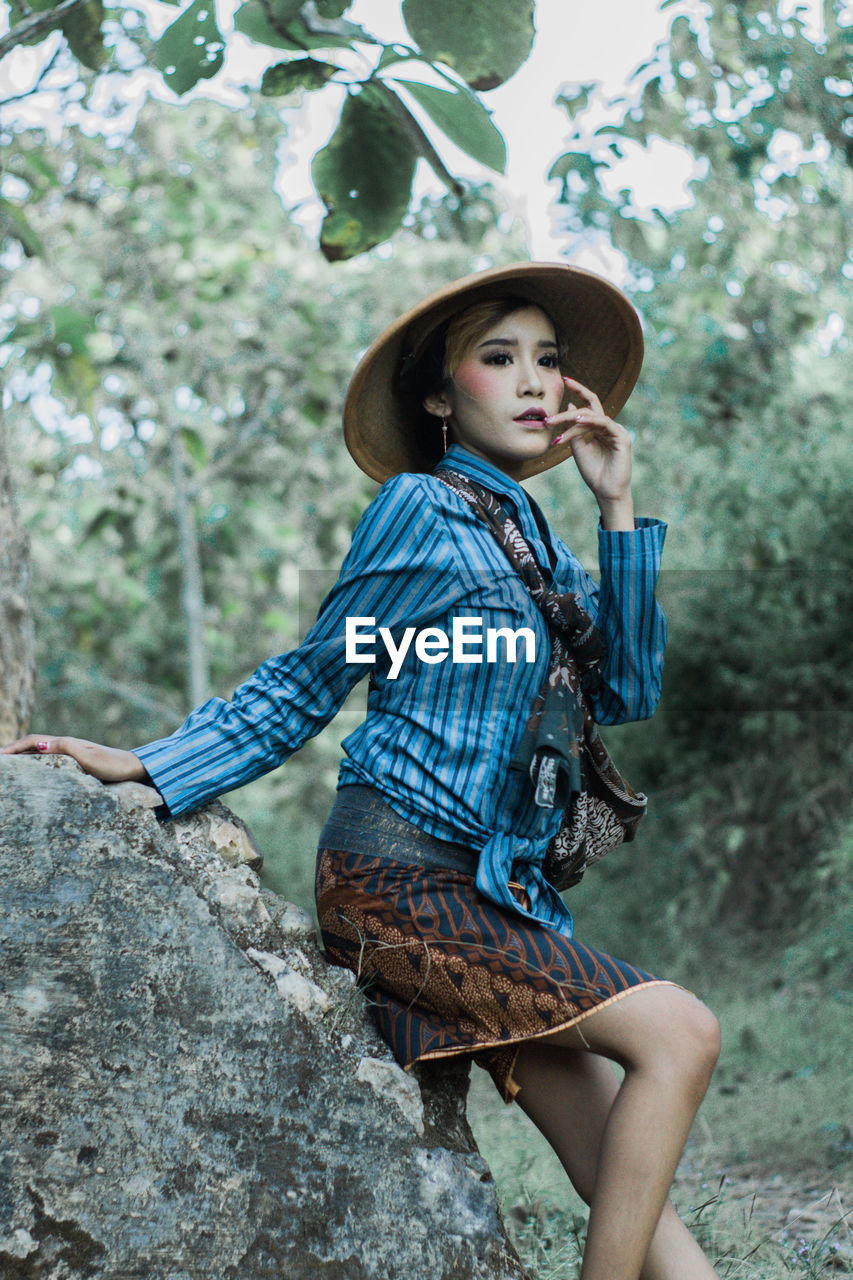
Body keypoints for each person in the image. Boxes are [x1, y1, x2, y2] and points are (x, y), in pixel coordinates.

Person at [2, 262, 722, 1280]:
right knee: (681, 1032)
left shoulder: (535, 540)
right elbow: (311, 675)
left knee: (624, 1179)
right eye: (498, 357)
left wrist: (617, 506)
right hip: (399, 885)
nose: (532, 382)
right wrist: (151, 765)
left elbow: (627, 688)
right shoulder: (420, 507)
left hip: (487, 892)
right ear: (440, 394)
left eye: (548, 361)